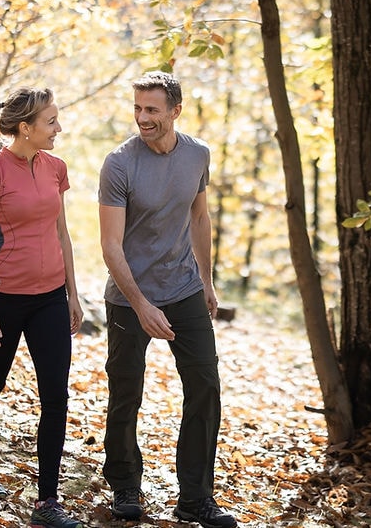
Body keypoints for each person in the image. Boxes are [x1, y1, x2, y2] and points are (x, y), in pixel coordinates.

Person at [98, 72, 237, 528]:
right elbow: (111, 245)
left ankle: (195, 499)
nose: (143, 118)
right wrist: (140, 305)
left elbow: (199, 217)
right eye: (138, 108)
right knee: (126, 393)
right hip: (128, 297)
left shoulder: (198, 154)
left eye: (152, 110)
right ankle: (124, 486)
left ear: (175, 110)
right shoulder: (119, 163)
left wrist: (208, 281)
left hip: (184, 290)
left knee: (205, 388)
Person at [0, 87, 86, 528]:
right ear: (25, 127)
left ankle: (47, 503)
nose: (59, 128)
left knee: (56, 396)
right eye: (51, 121)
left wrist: (73, 293)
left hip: (50, 297)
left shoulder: (56, 168)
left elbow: (63, 235)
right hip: (1, 300)